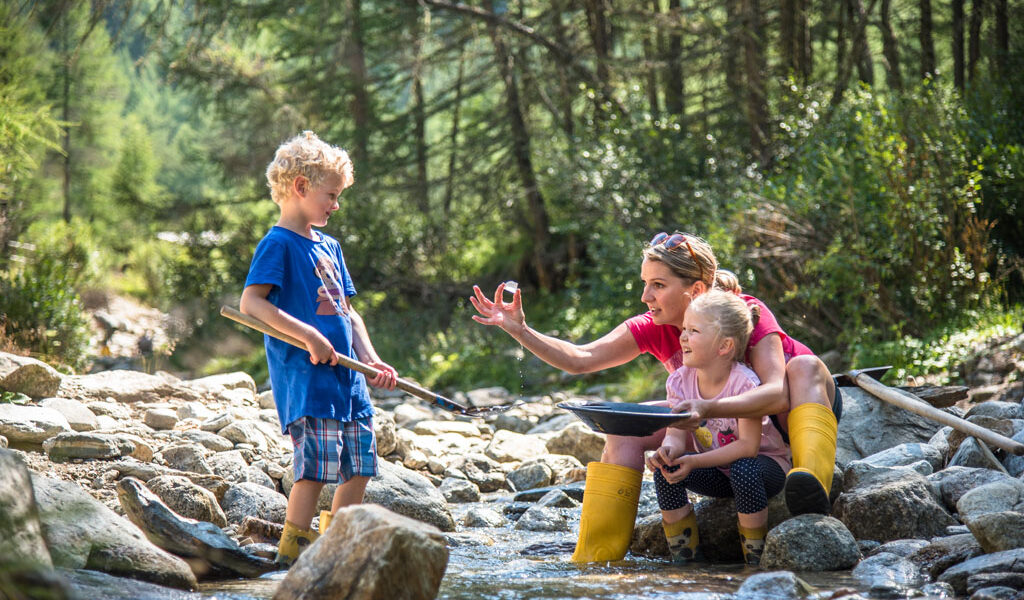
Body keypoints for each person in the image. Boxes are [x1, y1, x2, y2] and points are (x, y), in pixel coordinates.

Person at [470, 231, 839, 563]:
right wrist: (520, 330)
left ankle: (811, 486)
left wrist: (704, 408)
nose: (645, 296)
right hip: (717, 426)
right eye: (645, 283)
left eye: (657, 285)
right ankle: (596, 557)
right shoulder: (656, 324)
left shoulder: (740, 314)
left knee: (803, 366)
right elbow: (580, 360)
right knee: (624, 429)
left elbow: (774, 395)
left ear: (694, 291)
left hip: (794, 414)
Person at [240, 131, 398, 567]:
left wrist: (370, 358)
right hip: (308, 382)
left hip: (348, 383)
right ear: (301, 188)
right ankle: (291, 554)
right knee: (314, 470)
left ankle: (333, 551)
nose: (336, 204)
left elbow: (349, 312)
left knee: (361, 467)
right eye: (331, 195)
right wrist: (309, 336)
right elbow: (251, 303)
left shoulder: (331, 247)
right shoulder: (278, 244)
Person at [645, 290, 789, 566]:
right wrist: (666, 454)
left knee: (744, 469)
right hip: (719, 473)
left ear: (724, 346)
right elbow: (675, 436)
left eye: (694, 330)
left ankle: (754, 558)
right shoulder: (678, 382)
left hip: (763, 469)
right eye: (684, 329)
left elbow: (747, 447)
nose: (683, 337)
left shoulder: (744, 384)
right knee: (667, 472)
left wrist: (695, 460)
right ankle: (685, 558)